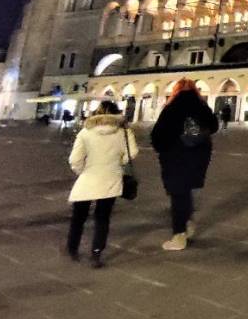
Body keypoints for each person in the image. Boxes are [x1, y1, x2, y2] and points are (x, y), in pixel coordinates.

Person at [66, 100, 138, 268]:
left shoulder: (86, 132)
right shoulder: (124, 133)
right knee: (102, 218)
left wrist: (82, 171)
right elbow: (132, 153)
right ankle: (96, 253)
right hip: (111, 178)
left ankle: (72, 248)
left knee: (79, 217)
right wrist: (119, 162)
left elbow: (74, 160)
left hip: (88, 177)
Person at [150, 79, 218, 251]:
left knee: (178, 194)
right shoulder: (201, 106)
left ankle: (179, 234)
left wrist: (162, 148)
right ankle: (187, 223)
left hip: (176, 156)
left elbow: (157, 134)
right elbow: (214, 126)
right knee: (185, 191)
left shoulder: (172, 107)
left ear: (176, 90)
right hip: (198, 157)